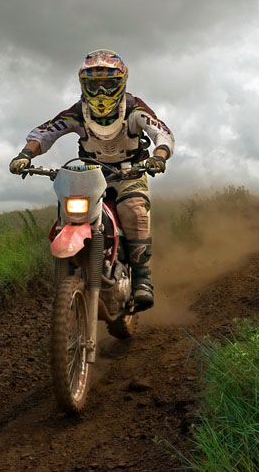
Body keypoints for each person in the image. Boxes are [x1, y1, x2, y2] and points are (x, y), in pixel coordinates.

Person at [9, 49, 175, 310]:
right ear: (83, 85)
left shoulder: (133, 108)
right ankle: (68, 277)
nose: (100, 93)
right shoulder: (77, 112)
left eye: (107, 84)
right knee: (67, 213)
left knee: (133, 210)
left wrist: (159, 156)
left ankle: (143, 279)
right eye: (93, 85)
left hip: (130, 172)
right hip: (91, 174)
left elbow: (161, 132)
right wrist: (25, 155)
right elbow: (46, 132)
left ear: (120, 84)